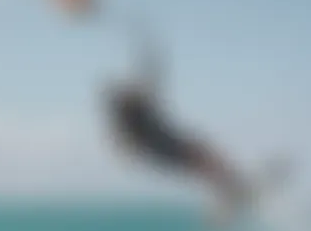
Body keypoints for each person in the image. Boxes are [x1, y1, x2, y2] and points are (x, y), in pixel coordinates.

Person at [102, 29, 257, 217]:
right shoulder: (130, 113)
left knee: (204, 157)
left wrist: (150, 56)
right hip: (162, 148)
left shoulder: (133, 108)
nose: (133, 90)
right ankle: (229, 199)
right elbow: (125, 142)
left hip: (164, 144)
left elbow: (150, 83)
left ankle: (232, 192)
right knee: (202, 159)